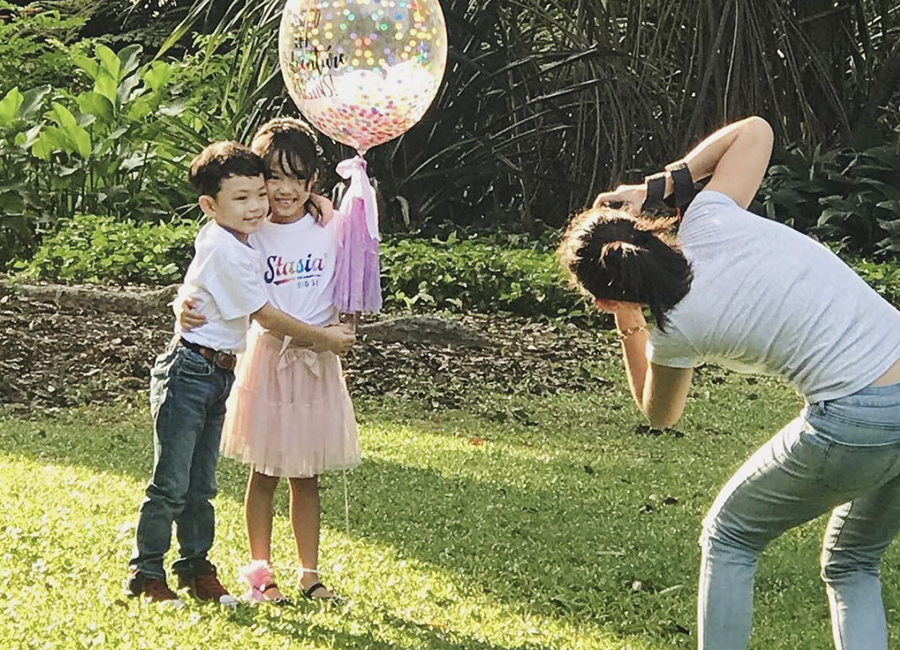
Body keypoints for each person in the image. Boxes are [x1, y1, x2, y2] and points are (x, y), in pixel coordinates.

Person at [557, 115, 900, 650]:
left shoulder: (675, 331)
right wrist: (657, 186)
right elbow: (756, 131)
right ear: (648, 228)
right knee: (853, 562)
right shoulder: (711, 217)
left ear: (604, 296)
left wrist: (628, 321)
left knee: (730, 536)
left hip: (855, 417)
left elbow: (659, 415)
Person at [126, 140, 355, 607]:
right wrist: (326, 338)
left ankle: (194, 567)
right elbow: (264, 315)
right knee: (172, 483)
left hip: (220, 372)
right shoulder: (231, 240)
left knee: (201, 484)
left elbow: (203, 273)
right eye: (263, 186)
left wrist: (318, 203)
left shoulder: (248, 231)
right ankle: (147, 572)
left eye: (261, 193)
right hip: (195, 369)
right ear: (212, 205)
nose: (262, 201)